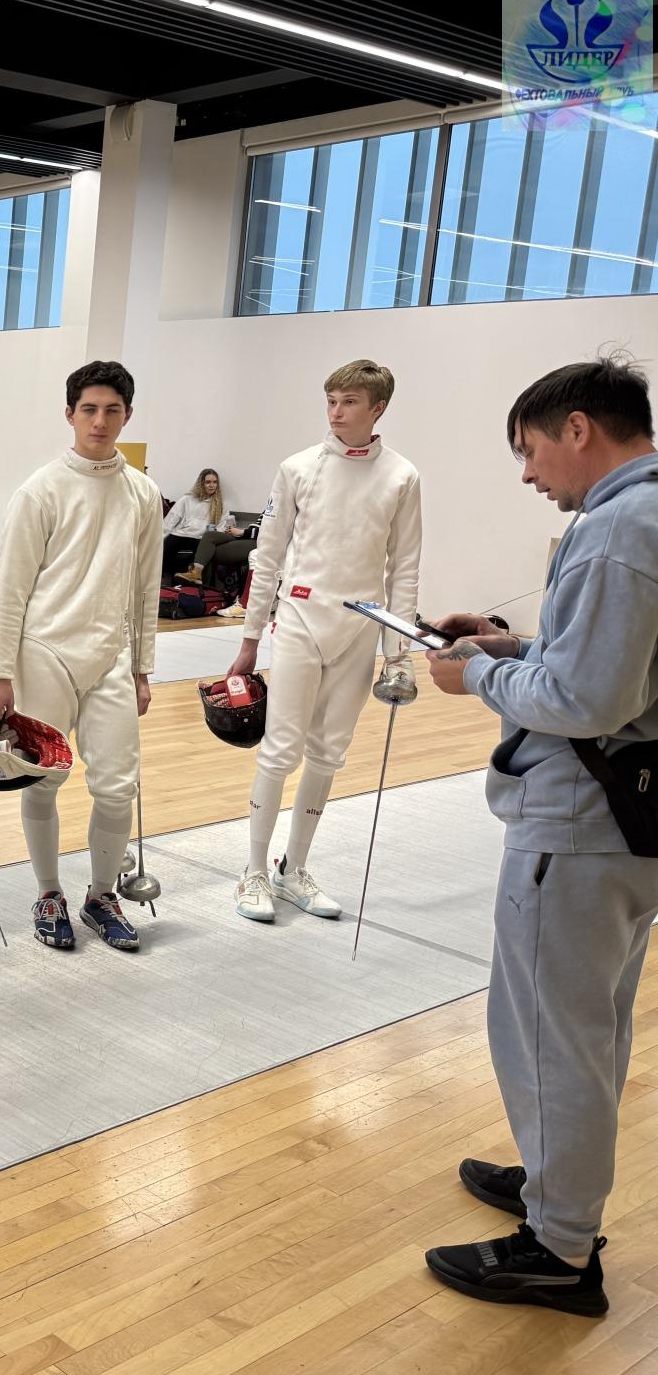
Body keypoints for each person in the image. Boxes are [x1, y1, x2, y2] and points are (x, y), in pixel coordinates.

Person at [420, 357, 658, 1317]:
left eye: (528, 450)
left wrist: (476, 676)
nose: (526, 474)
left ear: (578, 429)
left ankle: (559, 1247)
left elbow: (586, 698)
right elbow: (612, 666)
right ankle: (558, 1179)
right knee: (589, 1022)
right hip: (625, 822)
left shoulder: (616, 530)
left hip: (583, 822)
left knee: (550, 1031)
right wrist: (509, 645)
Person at [226, 360, 420, 924]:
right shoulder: (298, 468)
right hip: (300, 618)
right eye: (331, 400)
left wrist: (399, 656)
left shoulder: (402, 476)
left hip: (359, 626)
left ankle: (293, 870)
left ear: (378, 408)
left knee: (329, 753)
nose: (336, 412)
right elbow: (267, 556)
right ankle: (253, 871)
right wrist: (250, 638)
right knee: (280, 749)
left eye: (349, 402)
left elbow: (404, 568)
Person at [0, 361, 161, 953]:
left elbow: (146, 588)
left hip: (110, 656)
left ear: (127, 416)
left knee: (117, 787)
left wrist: (142, 668)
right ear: (69, 414)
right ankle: (48, 892)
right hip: (45, 653)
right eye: (89, 409)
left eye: (112, 410)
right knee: (44, 780)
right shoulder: (41, 490)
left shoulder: (142, 493)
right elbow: (11, 589)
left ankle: (102, 896)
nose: (100, 421)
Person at [163, 468, 249, 582]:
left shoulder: (220, 504)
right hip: (181, 534)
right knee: (164, 549)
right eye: (208, 482)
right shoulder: (187, 499)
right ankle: (170, 579)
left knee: (200, 558)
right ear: (201, 483)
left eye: (215, 482)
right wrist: (161, 537)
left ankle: (188, 581)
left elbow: (221, 527)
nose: (212, 485)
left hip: (201, 538)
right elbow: (171, 519)